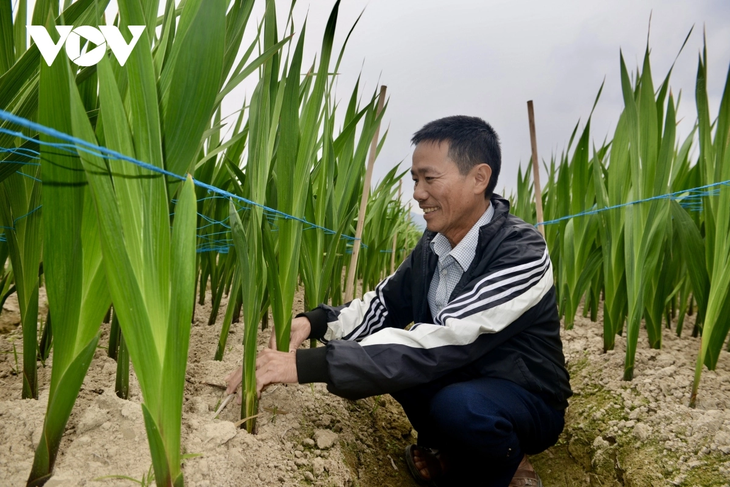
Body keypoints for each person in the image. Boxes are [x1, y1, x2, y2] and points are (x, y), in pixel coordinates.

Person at [227, 115, 571, 487]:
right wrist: (314, 322)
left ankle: (502, 464)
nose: (418, 193)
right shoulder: (432, 247)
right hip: (462, 375)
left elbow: (446, 339)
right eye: (415, 180)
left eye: (429, 178)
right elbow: (383, 306)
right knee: (404, 371)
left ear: (479, 178)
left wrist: (305, 365)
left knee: (459, 405)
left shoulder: (522, 253)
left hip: (524, 396)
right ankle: (448, 452)